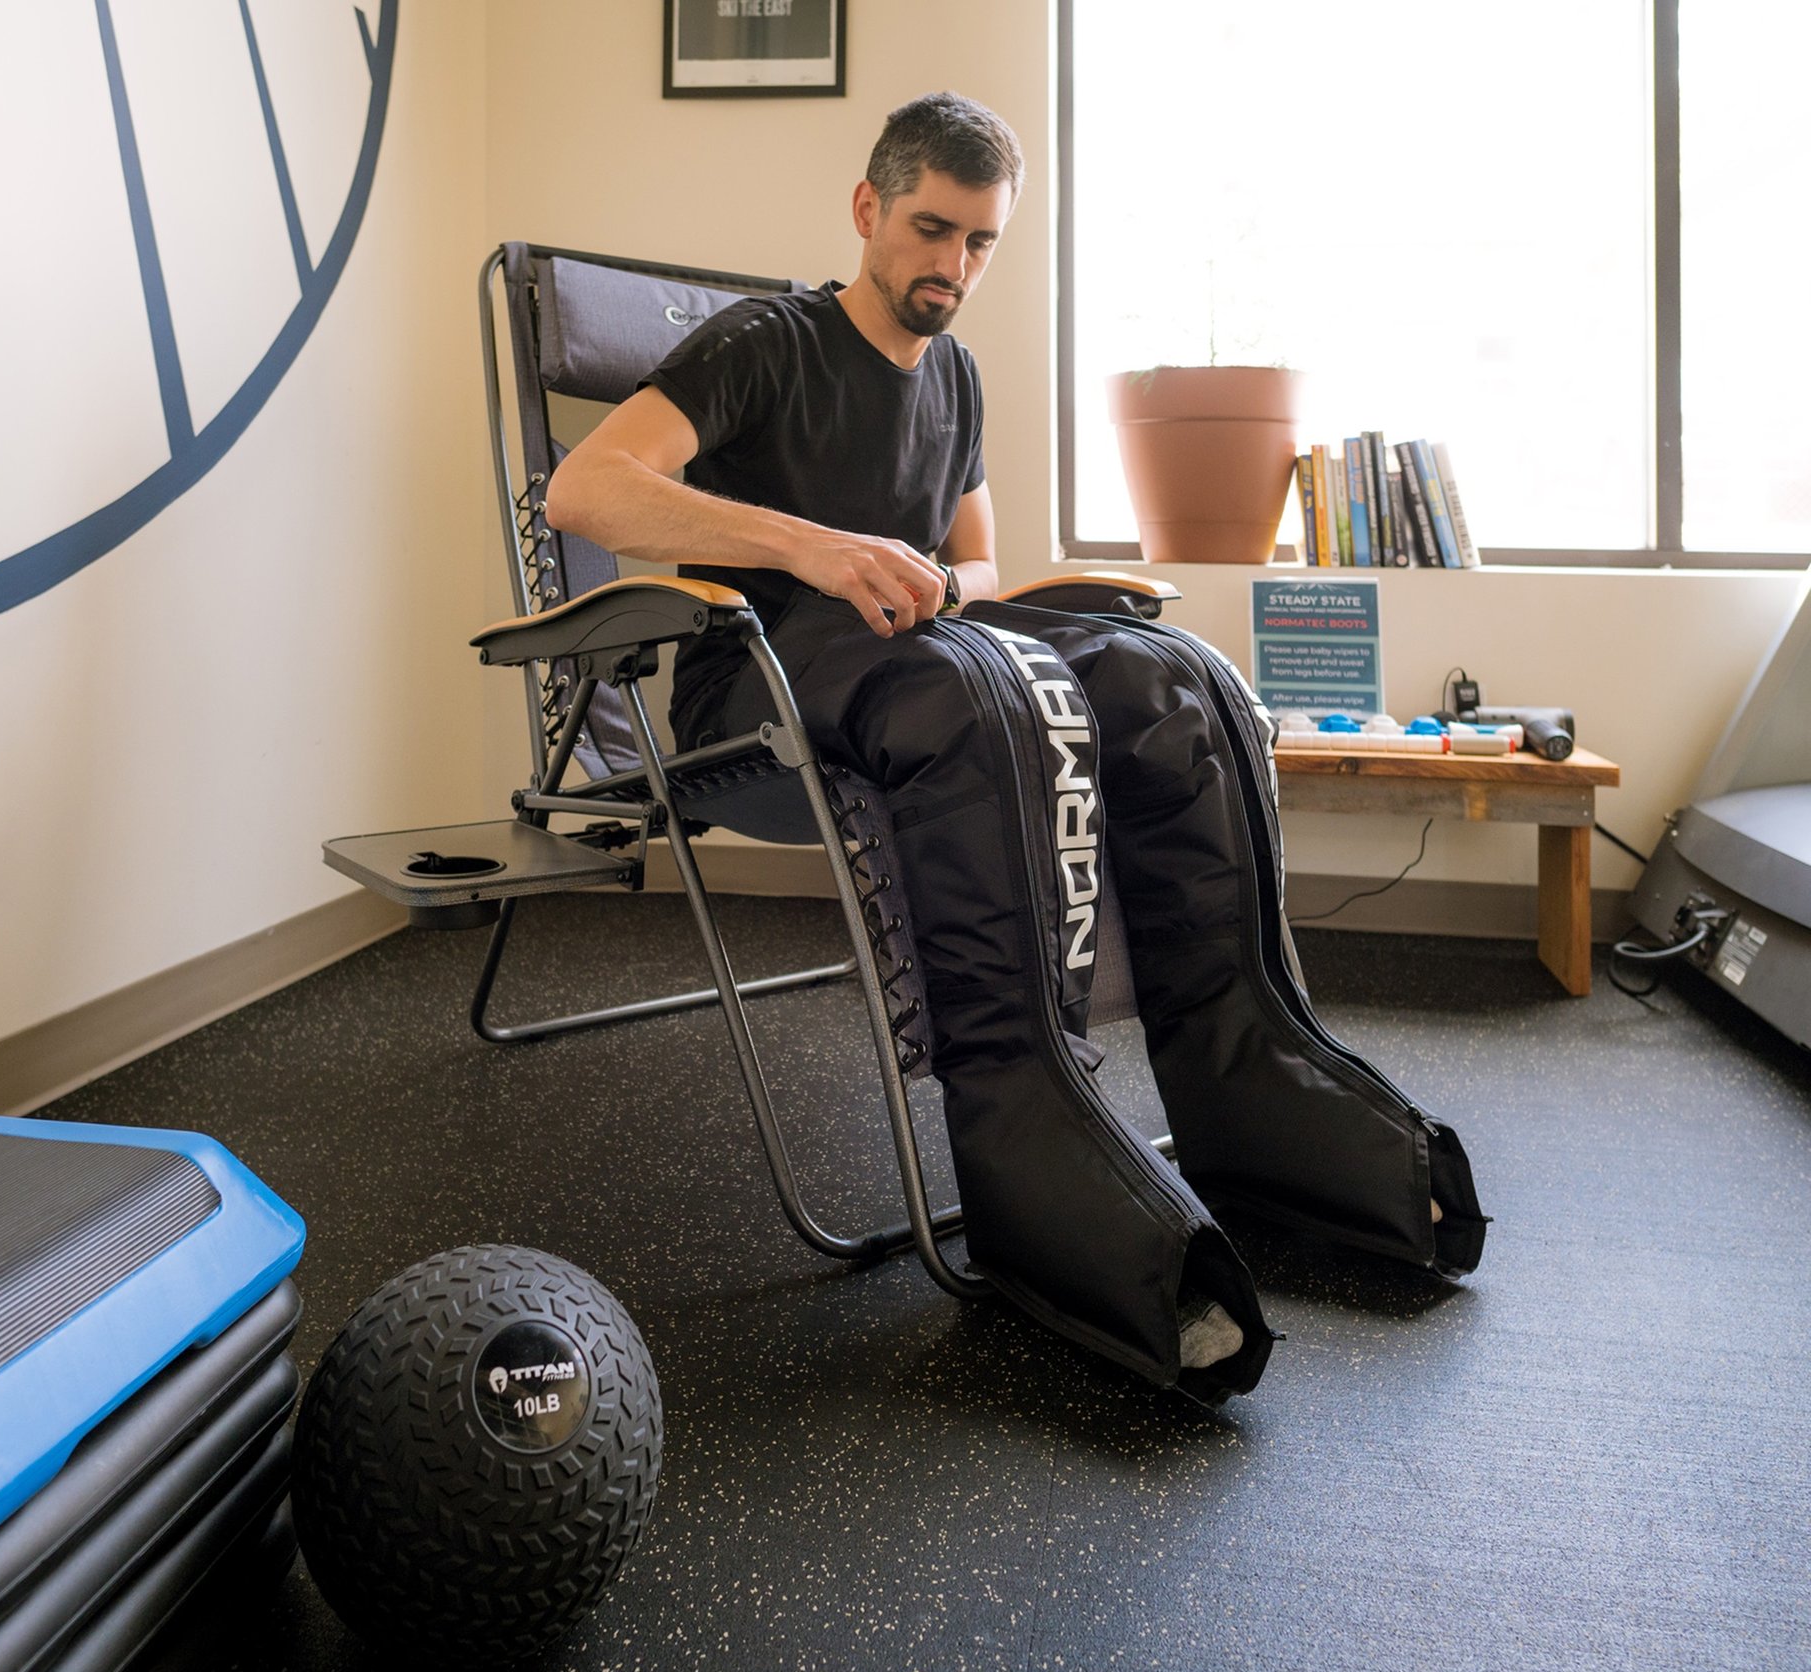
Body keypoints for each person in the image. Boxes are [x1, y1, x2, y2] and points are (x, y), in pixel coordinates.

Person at [546, 94, 1482, 1405]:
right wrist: (815, 547)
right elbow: (584, 490)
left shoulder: (960, 377)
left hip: (918, 655)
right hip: (757, 685)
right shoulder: (768, 342)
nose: (954, 265)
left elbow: (974, 556)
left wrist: (958, 584)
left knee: (1175, 682)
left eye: (981, 241)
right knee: (974, 700)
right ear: (868, 210)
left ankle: (1243, 1071)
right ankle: (1026, 1125)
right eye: (932, 228)